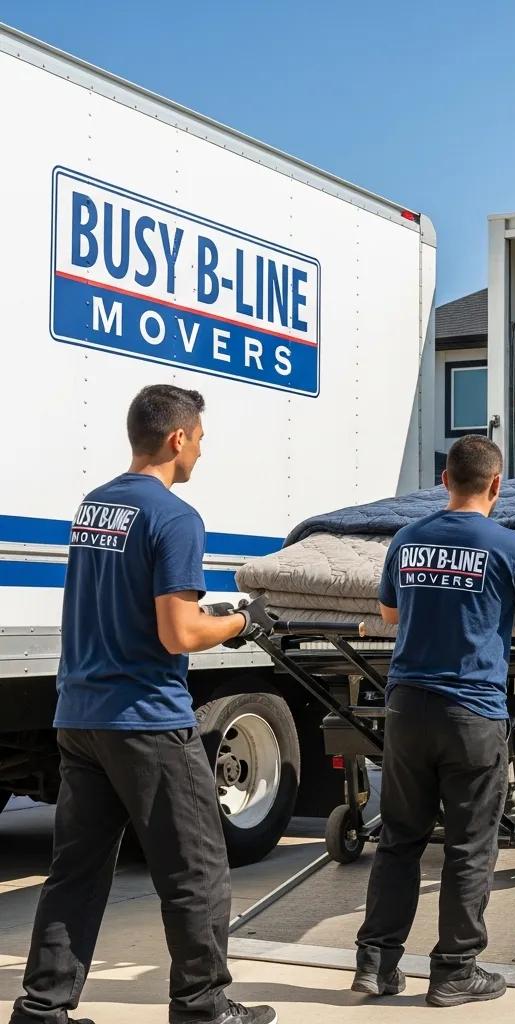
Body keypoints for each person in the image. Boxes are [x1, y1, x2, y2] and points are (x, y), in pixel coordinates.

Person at [9, 385, 277, 1024]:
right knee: (198, 869)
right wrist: (241, 622)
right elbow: (179, 634)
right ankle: (203, 1006)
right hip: (146, 718)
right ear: (178, 438)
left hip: (81, 715)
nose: (201, 454)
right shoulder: (175, 516)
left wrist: (199, 615)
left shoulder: (94, 507)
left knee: (76, 872)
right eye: (201, 441)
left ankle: (42, 1008)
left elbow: (127, 605)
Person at [352, 435, 515, 1007]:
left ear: (445, 480)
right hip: (471, 713)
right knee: (471, 846)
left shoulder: (407, 539)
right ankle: (454, 971)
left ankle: (376, 965)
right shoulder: (509, 546)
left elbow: (390, 614)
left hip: (405, 709)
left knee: (399, 839)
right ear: (497, 486)